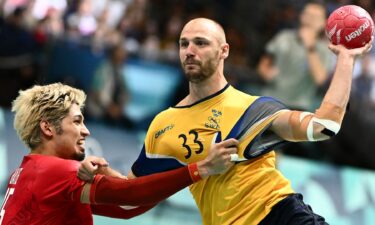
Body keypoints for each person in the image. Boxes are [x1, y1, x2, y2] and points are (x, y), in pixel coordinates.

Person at [123, 18, 372, 225]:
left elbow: (324, 126)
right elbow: (128, 195)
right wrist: (93, 176)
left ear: (224, 51)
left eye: (200, 43)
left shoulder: (255, 108)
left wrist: (346, 59)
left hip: (280, 216)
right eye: (183, 43)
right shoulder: (163, 124)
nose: (190, 50)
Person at [0, 83, 238, 225]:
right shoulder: (55, 171)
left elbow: (125, 209)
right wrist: (201, 169)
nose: (86, 130)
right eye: (77, 121)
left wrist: (105, 172)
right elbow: (131, 196)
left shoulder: (29, 172)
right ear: (48, 128)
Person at [257, 1, 334, 112]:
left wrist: (310, 47)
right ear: (301, 16)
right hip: (270, 99)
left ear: (324, 23)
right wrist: (266, 72)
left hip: (298, 108)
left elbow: (320, 79)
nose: (310, 19)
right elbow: (264, 63)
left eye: (315, 17)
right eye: (307, 14)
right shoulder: (284, 36)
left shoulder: (325, 50)